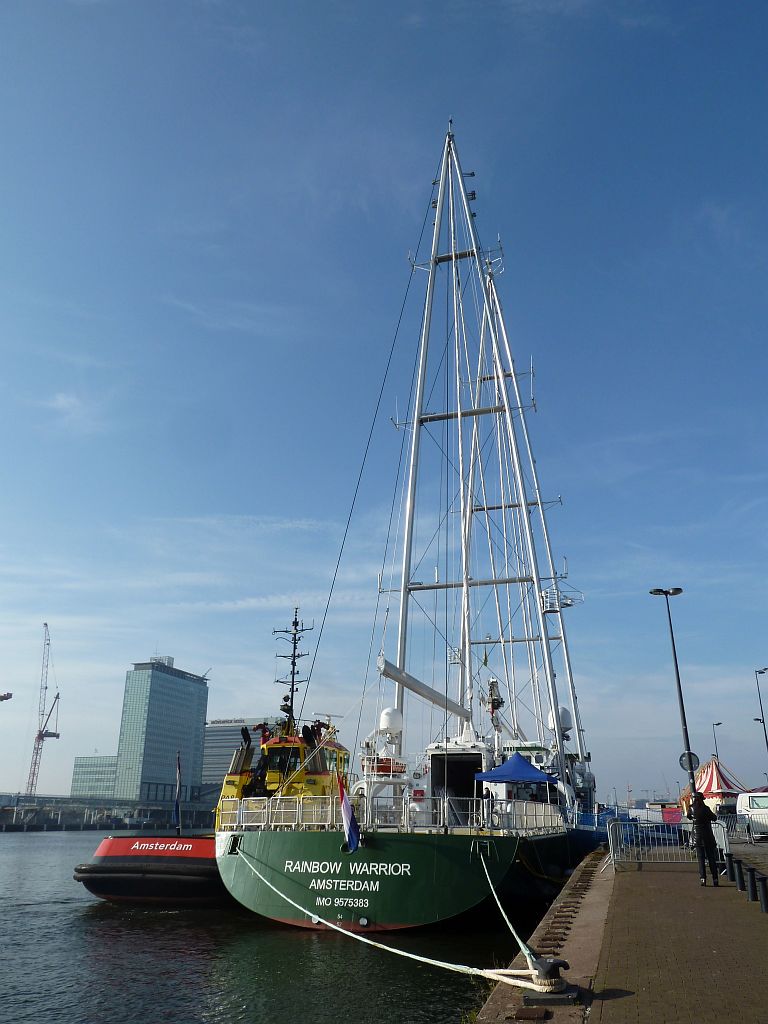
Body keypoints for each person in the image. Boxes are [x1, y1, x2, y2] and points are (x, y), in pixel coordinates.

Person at [687, 792, 719, 886]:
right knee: (711, 858)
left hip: (697, 837)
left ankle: (703, 879)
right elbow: (714, 818)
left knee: (700, 860)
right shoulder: (706, 809)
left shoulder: (691, 808)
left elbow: (689, 816)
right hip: (708, 836)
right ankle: (715, 879)